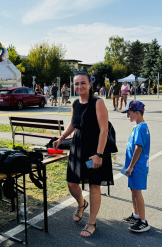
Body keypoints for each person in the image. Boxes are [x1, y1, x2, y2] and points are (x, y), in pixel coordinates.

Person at [53, 71, 113, 237]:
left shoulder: (98, 103)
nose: (79, 86)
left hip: (94, 151)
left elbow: (104, 129)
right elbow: (73, 123)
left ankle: (91, 222)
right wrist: (62, 137)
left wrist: (99, 155)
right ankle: (81, 203)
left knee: (94, 185)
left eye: (83, 83)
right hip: (78, 148)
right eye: (77, 83)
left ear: (90, 84)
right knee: (72, 182)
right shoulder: (75, 103)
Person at [121, 100, 151, 233]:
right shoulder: (137, 126)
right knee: (133, 190)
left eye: (129, 113)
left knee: (137, 192)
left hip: (137, 167)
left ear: (137, 113)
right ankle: (136, 215)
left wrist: (131, 166)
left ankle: (143, 221)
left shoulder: (141, 128)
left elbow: (138, 148)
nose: (128, 116)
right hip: (134, 166)